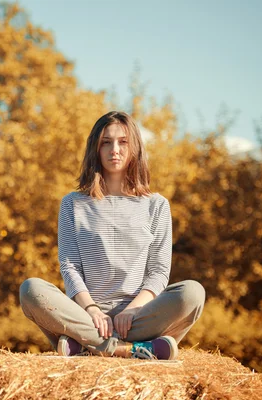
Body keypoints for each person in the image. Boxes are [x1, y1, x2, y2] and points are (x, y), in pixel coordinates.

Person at [19, 111, 205, 360]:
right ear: (95, 148)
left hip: (140, 316)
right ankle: (126, 350)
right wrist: (92, 310)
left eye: (123, 142)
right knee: (31, 289)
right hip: (87, 315)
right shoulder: (72, 204)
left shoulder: (157, 205)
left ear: (135, 147)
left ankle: (86, 346)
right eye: (106, 142)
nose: (114, 149)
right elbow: (70, 266)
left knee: (193, 293)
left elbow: (159, 271)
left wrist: (133, 310)